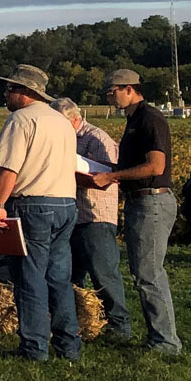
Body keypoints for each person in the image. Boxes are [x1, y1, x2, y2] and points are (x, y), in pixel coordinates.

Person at [0, 65, 79, 362]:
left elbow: (8, 169)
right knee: (59, 279)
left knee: (30, 278)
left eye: (11, 89)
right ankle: (69, 347)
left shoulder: (20, 120)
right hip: (66, 204)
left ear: (26, 92)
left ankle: (34, 348)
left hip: (32, 206)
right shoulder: (62, 121)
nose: (6, 94)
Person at [90, 68, 181, 355]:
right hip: (140, 201)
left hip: (151, 201)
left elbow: (155, 167)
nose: (110, 97)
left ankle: (166, 342)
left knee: (149, 274)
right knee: (144, 273)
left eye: (112, 91)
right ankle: (159, 338)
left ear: (129, 89)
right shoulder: (135, 119)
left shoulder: (149, 118)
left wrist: (112, 177)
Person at [54, 96, 134, 343]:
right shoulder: (65, 138)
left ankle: (119, 326)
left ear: (75, 119)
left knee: (103, 272)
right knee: (70, 273)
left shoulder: (97, 139)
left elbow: (110, 173)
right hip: (73, 213)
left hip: (95, 214)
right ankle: (76, 320)